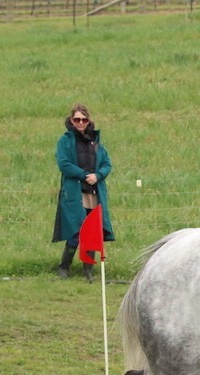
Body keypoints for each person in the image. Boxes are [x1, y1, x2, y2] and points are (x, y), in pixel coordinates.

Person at [52, 103, 114, 282]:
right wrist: (84, 175)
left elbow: (107, 163)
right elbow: (63, 164)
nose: (80, 122)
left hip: (94, 192)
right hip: (75, 192)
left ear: (88, 121)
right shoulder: (65, 140)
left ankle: (88, 269)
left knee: (92, 230)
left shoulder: (95, 141)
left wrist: (98, 175)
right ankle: (64, 267)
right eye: (77, 119)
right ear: (72, 120)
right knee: (75, 231)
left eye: (83, 119)